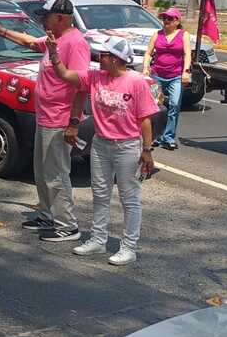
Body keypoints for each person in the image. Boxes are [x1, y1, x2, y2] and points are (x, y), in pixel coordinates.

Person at [0, 0, 90, 242]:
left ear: (61, 18)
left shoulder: (75, 43)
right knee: (41, 172)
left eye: (46, 16)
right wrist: (2, 32)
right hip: (45, 117)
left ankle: (67, 225)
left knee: (56, 174)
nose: (42, 20)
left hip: (60, 120)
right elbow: (31, 43)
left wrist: (73, 123)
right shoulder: (56, 40)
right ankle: (47, 214)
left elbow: (82, 85)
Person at [51, 37, 157, 266]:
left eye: (105, 55)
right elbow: (66, 75)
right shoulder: (96, 77)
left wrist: (147, 150)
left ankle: (129, 247)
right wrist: (54, 54)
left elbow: (145, 119)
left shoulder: (136, 82)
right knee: (100, 193)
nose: (100, 58)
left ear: (118, 59)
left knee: (129, 198)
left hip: (127, 146)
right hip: (101, 144)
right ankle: (98, 239)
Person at [142, 6, 190, 150]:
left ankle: (168, 137)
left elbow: (187, 54)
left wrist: (186, 72)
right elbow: (148, 53)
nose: (166, 21)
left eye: (170, 18)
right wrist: (145, 67)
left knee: (174, 105)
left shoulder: (183, 35)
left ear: (177, 21)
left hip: (175, 76)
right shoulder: (157, 34)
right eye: (164, 18)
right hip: (157, 75)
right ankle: (154, 136)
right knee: (154, 107)